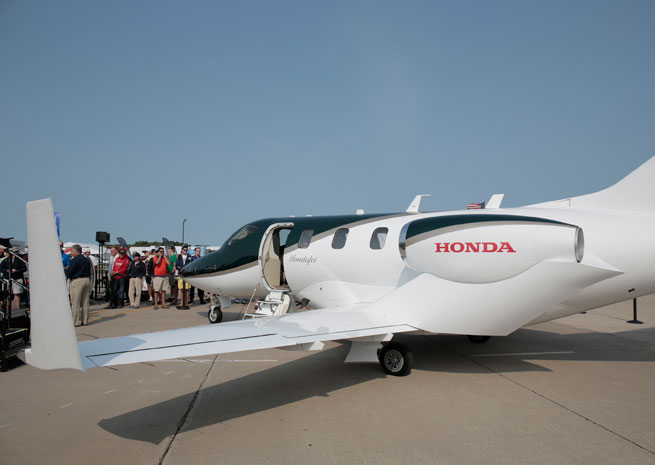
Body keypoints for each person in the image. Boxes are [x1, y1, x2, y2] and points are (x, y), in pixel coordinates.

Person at [65, 244, 91, 326]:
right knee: (85, 302)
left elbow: (69, 272)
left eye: (72, 251)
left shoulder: (74, 260)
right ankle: (85, 320)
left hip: (77, 280)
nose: (71, 253)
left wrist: (66, 270)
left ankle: (76, 321)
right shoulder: (87, 260)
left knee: (75, 302)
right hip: (86, 280)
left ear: (76, 251)